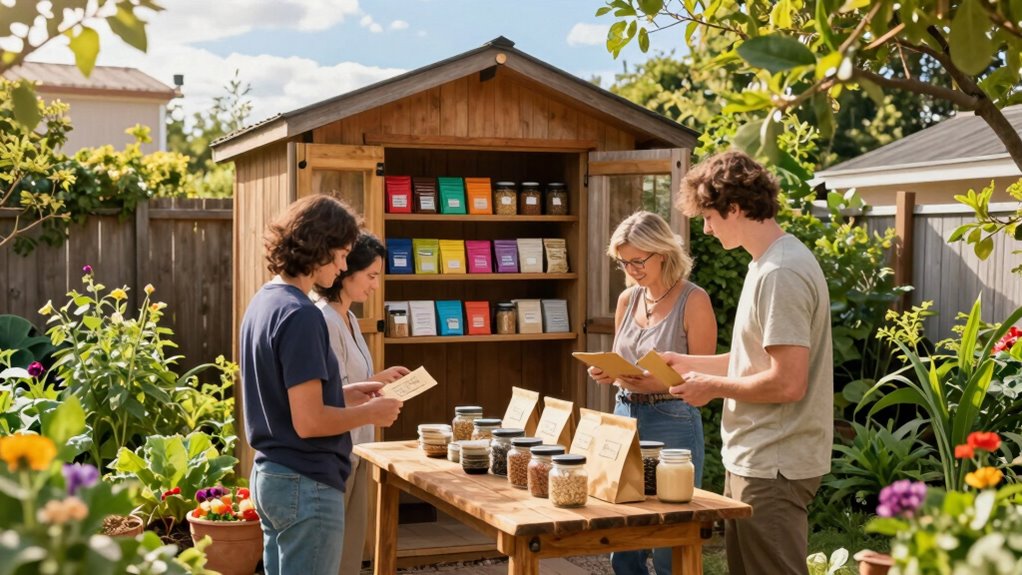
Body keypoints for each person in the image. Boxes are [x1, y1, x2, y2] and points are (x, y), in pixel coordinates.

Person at [664, 150, 833, 575]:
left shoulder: (781, 273)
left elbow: (787, 383)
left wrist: (712, 387)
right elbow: (754, 360)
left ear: (734, 208)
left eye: (708, 217)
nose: (704, 228)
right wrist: (687, 363)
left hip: (773, 463)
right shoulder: (767, 264)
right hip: (758, 459)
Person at [240, 195, 404, 575]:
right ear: (318, 246)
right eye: (343, 254)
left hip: (271, 475)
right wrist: (370, 412)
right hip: (305, 484)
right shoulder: (302, 316)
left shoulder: (264, 302)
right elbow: (309, 422)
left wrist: (346, 395)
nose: (345, 265)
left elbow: (283, 398)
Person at [586, 210, 717, 575]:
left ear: (663, 253)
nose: (631, 269)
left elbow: (704, 374)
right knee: (622, 533)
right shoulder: (628, 300)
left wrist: (657, 382)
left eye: (638, 261)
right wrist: (607, 372)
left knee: (669, 535)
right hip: (623, 415)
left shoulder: (694, 300)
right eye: (623, 262)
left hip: (672, 418)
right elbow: (619, 357)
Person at [313, 232, 410, 575]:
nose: (374, 286)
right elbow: (329, 393)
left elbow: (349, 380)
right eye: (370, 276)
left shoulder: (351, 318)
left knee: (351, 550)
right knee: (335, 553)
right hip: (339, 450)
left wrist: (381, 378)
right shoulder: (322, 319)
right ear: (344, 272)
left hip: (361, 448)